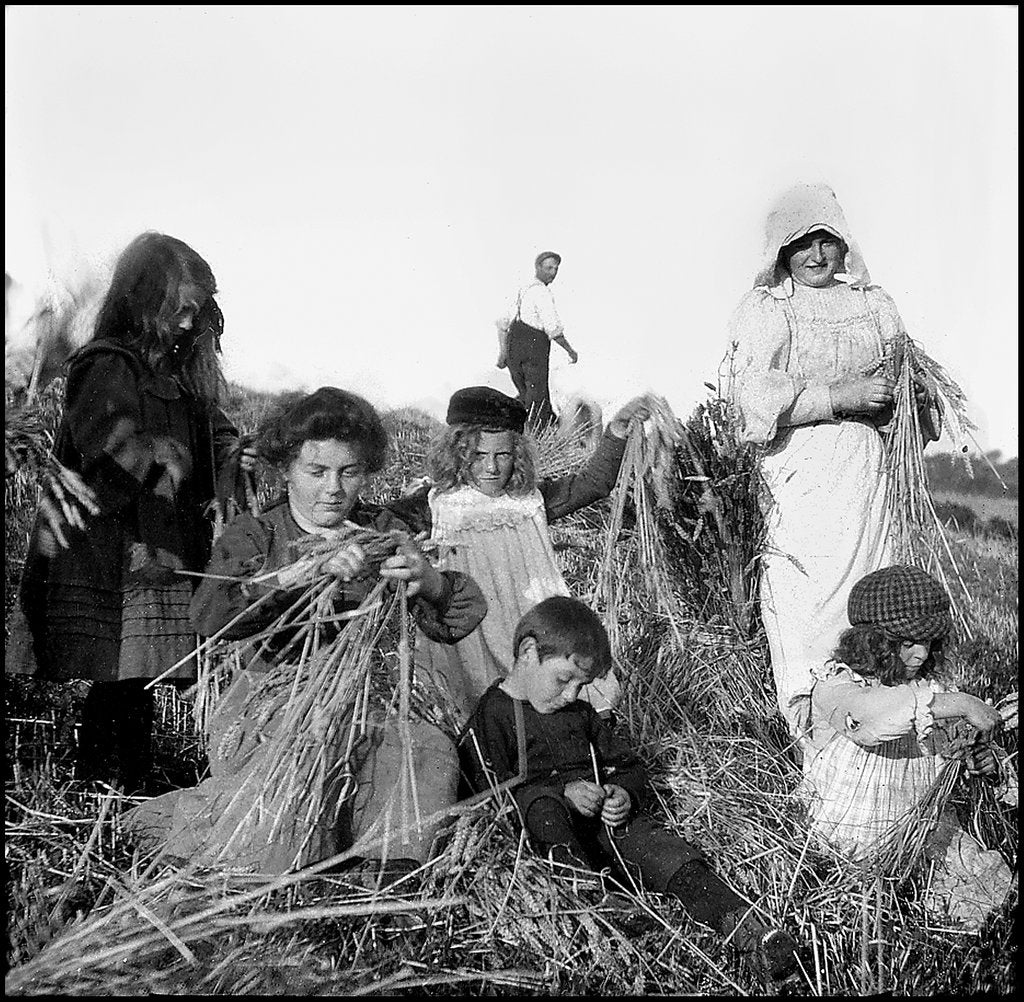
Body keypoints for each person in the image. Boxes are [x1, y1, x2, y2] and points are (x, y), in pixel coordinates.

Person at [124, 387, 487, 875]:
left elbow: (461, 613)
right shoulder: (258, 533)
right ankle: (182, 827)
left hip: (370, 700)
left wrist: (429, 581)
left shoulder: (380, 530)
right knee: (310, 769)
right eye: (317, 472)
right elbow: (210, 614)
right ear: (286, 468)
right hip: (271, 706)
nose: (333, 488)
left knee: (423, 747)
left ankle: (387, 867)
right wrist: (292, 579)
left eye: (349, 472)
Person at [8, 232, 248, 793]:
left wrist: (231, 462)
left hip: (161, 538)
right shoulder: (106, 364)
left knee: (141, 676)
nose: (190, 323)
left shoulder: (182, 377)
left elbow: (217, 433)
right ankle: (100, 785)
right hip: (112, 546)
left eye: (197, 310)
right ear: (144, 300)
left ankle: (132, 784)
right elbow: (104, 442)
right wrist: (158, 455)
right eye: (179, 309)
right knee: (119, 674)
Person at [460, 596, 801, 982]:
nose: (572, 694)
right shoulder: (491, 717)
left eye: (582, 685)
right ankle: (592, 904)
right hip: (552, 841)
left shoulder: (580, 716)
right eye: (563, 678)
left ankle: (748, 929)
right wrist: (562, 791)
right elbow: (489, 797)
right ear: (527, 652)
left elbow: (626, 765)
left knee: (662, 848)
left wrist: (623, 792)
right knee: (540, 806)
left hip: (608, 830)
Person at [725, 183, 942, 737]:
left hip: (868, 477)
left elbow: (911, 391)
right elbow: (749, 402)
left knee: (872, 596)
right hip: (801, 478)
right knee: (809, 604)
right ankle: (815, 738)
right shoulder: (768, 311)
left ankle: (885, 731)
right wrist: (837, 397)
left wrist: (908, 403)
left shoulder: (874, 305)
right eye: (801, 245)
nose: (816, 256)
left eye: (826, 241)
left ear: (845, 245)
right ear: (780, 253)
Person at [391, 385, 656, 724]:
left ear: (517, 455)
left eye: (502, 455)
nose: (491, 467)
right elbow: (378, 526)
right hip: (470, 630)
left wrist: (617, 430)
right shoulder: (434, 505)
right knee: (475, 708)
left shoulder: (529, 501)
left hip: (531, 622)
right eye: (477, 455)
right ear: (457, 453)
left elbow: (593, 484)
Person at [802, 565, 1013, 931]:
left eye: (928, 642)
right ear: (872, 642)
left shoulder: (928, 689)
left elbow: (947, 753)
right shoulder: (837, 685)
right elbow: (869, 722)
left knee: (986, 899)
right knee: (863, 916)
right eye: (906, 643)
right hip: (849, 841)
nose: (920, 654)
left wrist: (981, 762)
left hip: (920, 833)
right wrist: (961, 702)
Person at [496, 251, 578, 428]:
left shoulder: (522, 291)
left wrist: (503, 353)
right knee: (537, 399)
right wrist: (571, 351)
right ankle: (538, 439)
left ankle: (521, 427)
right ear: (538, 267)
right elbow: (553, 329)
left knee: (526, 396)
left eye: (556, 269)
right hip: (533, 351)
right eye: (549, 268)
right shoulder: (541, 293)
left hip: (514, 349)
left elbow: (502, 324)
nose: (553, 273)